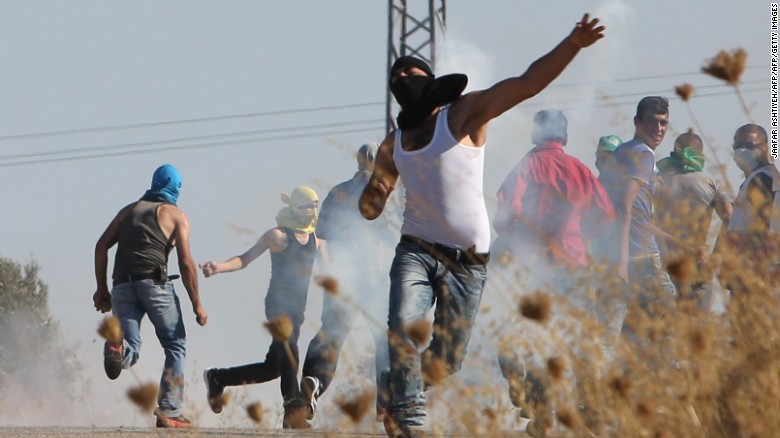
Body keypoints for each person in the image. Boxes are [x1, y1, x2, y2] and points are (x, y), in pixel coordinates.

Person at [359, 14, 605, 438]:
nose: (401, 76)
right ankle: (412, 422)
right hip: (416, 250)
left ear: (430, 81)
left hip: (468, 264)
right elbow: (372, 205)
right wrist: (371, 196)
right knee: (402, 327)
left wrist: (573, 44)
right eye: (395, 75)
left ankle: (398, 389)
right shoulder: (392, 144)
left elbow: (527, 83)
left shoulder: (464, 114)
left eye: (409, 72)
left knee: (448, 360)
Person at [491, 109, 614, 434]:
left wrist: (514, 236)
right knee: (580, 339)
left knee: (525, 339)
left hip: (533, 269)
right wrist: (580, 236)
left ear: (535, 135)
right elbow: (605, 215)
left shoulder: (527, 166)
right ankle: (591, 409)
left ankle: (539, 410)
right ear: (566, 137)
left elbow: (505, 215)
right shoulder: (581, 169)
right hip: (575, 266)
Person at [200, 186, 327, 429]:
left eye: (314, 206)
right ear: (293, 207)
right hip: (278, 304)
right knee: (290, 349)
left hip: (297, 310)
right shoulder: (278, 235)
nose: (310, 211)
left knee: (274, 368)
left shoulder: (317, 242)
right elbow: (245, 259)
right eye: (305, 206)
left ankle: (218, 377)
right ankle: (293, 412)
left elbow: (332, 277)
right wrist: (218, 267)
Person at [92, 163, 208, 429]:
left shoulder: (127, 211)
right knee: (175, 344)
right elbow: (186, 263)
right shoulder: (176, 215)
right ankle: (169, 410)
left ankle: (117, 349)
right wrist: (197, 305)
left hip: (121, 286)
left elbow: (101, 246)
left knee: (131, 347)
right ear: (176, 188)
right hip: (155, 284)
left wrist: (102, 289)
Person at [301, 143, 397, 421]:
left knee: (330, 335)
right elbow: (396, 237)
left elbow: (320, 238)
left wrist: (328, 272)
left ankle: (313, 384)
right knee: (384, 340)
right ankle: (385, 403)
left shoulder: (337, 192)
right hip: (375, 279)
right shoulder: (386, 194)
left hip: (342, 276)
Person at [602, 96, 678, 320]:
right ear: (637, 122)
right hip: (640, 255)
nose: (658, 129)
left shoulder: (623, 151)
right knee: (670, 313)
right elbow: (625, 207)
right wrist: (622, 261)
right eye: (652, 122)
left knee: (637, 322)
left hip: (619, 250)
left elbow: (636, 214)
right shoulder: (644, 154)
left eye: (663, 123)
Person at [654, 131, 733, 309]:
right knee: (698, 326)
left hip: (665, 262)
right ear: (700, 154)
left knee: (667, 326)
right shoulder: (710, 182)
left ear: (674, 152)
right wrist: (716, 256)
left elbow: (644, 222)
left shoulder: (657, 180)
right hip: (700, 260)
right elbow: (729, 217)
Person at [721, 124, 780, 293]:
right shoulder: (757, 178)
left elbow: (764, 230)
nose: (741, 151)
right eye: (737, 147)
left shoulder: (762, 180)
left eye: (748, 146)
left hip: (752, 275)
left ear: (765, 147)